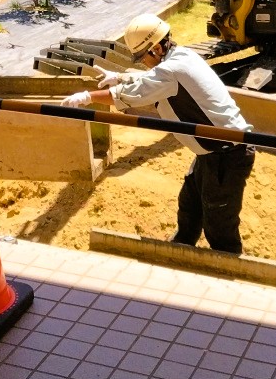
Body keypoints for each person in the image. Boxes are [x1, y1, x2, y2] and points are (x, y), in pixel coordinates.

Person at [63, 14, 255, 254]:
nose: (143, 63)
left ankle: (230, 268)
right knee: (190, 207)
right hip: (212, 152)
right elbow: (151, 78)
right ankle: (179, 253)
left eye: (143, 57)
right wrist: (120, 77)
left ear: (155, 49)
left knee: (219, 226)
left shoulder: (171, 70)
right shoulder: (182, 56)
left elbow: (134, 93)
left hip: (227, 154)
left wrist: (87, 97)